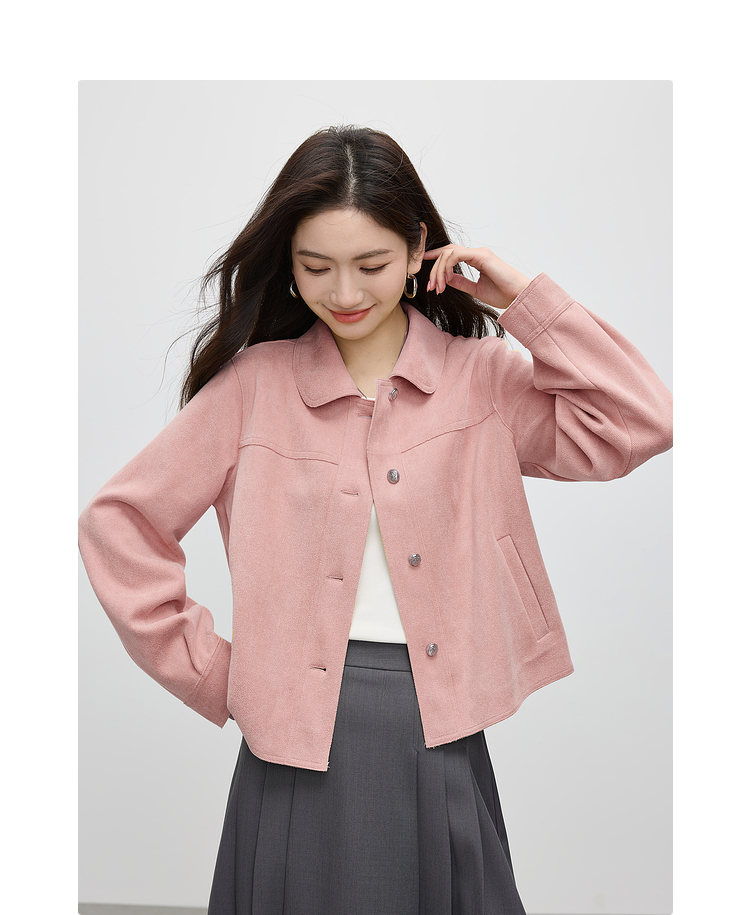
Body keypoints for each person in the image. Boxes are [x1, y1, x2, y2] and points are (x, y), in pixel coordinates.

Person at [78, 124, 673, 915]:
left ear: (419, 247)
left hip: (437, 721)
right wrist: (215, 673)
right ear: (289, 261)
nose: (344, 292)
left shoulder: (482, 380)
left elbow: (639, 421)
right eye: (316, 266)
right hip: (293, 736)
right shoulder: (255, 386)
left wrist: (524, 300)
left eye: (371, 264)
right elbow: (119, 523)